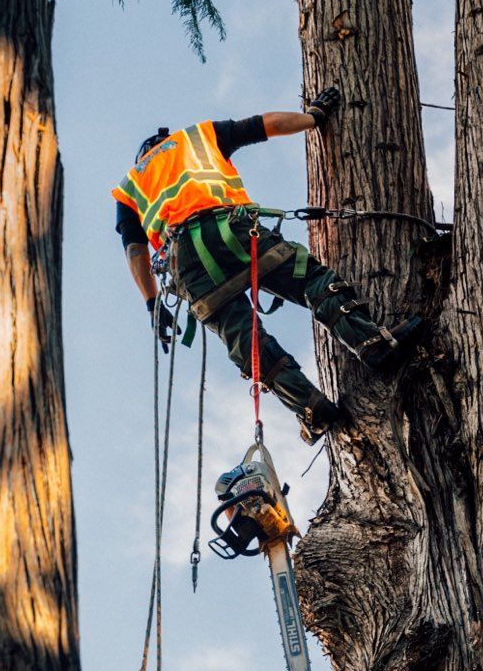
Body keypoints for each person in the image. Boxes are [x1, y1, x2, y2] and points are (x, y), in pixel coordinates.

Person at [112, 93, 422, 440]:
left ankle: (311, 408)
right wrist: (314, 116)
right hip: (231, 231)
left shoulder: (129, 187)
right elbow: (266, 124)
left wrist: (152, 303)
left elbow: (135, 249)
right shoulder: (195, 137)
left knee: (247, 341)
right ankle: (372, 343)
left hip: (188, 266)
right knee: (311, 281)